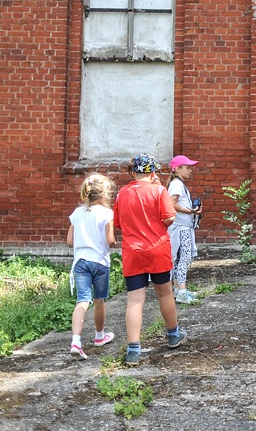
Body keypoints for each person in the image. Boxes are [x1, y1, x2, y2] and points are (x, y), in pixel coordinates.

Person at [113, 154, 186, 366]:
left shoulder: (122, 193)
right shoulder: (159, 190)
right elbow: (169, 218)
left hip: (132, 252)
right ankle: (173, 335)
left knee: (135, 300)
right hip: (157, 249)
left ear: (133, 173)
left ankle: (133, 349)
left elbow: (118, 222)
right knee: (165, 294)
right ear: (153, 172)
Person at [66, 174, 117, 360]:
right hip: (100, 262)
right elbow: (110, 240)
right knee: (99, 300)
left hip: (80, 262)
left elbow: (70, 241)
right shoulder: (107, 214)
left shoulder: (77, 213)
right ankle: (99, 336)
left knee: (82, 301)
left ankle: (76, 341)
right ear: (104, 195)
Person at [167, 155, 203, 304]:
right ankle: (182, 291)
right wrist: (189, 211)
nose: (190, 171)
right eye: (187, 168)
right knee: (185, 257)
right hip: (181, 227)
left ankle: (177, 288)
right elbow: (171, 203)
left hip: (180, 226)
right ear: (178, 169)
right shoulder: (177, 184)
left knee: (177, 257)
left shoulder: (177, 183)